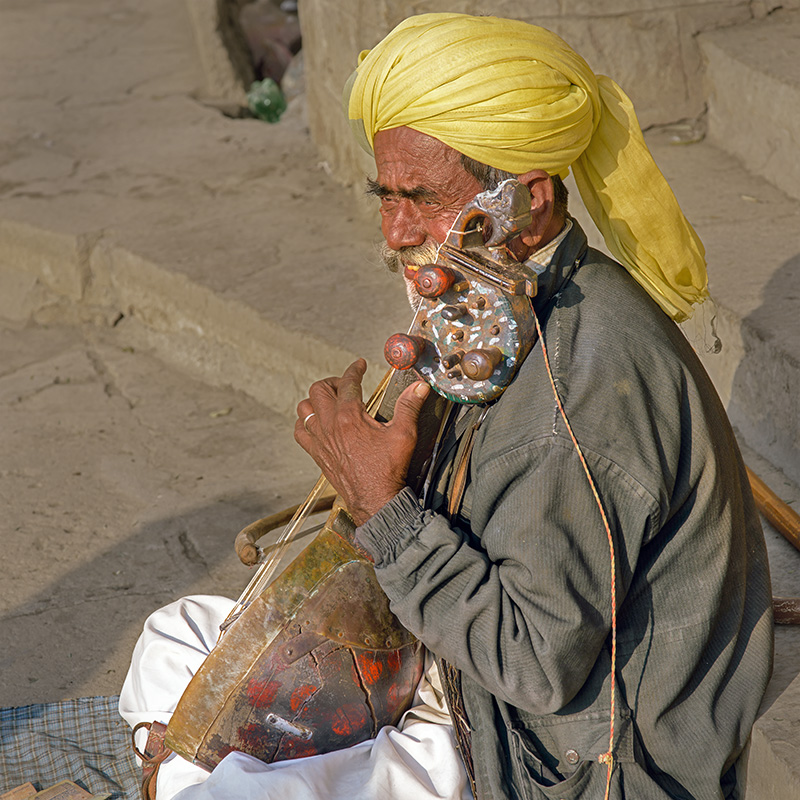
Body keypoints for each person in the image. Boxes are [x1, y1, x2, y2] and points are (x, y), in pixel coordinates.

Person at [120, 13, 773, 800]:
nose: (394, 233)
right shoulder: (501, 296)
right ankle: (183, 767)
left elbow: (535, 668)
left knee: (232, 792)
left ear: (525, 202)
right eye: (383, 195)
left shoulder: (581, 400)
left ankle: (183, 776)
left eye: (421, 198)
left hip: (551, 749)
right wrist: (402, 438)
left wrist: (382, 504)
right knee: (173, 635)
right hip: (465, 667)